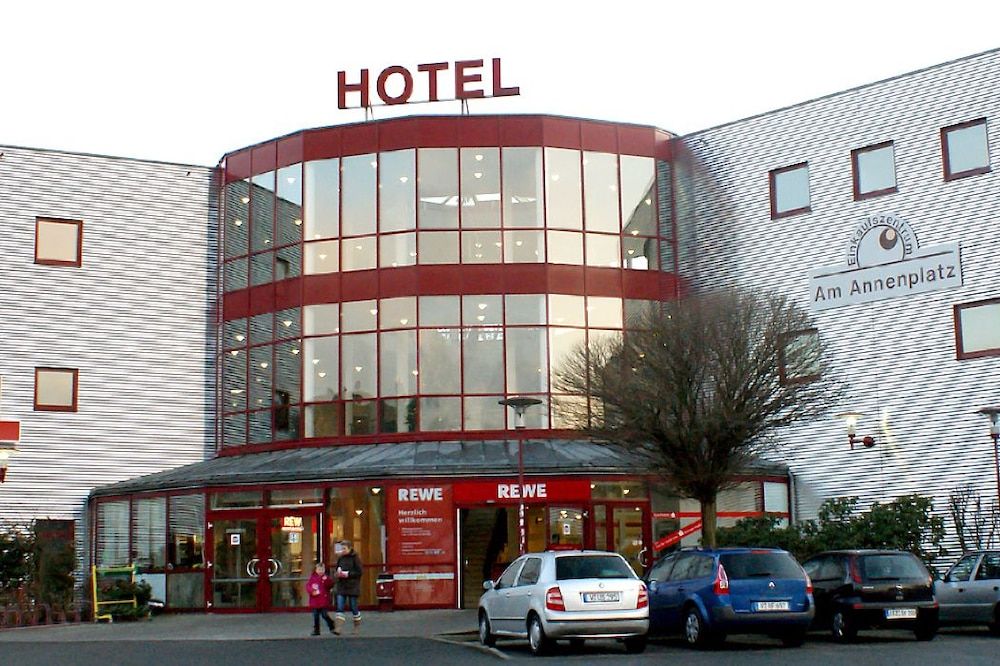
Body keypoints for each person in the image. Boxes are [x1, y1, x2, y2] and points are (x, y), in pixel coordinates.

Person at [333, 540, 364, 635]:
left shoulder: (355, 558)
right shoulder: (340, 558)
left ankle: (357, 626)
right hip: (342, 585)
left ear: (349, 548)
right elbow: (337, 568)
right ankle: (338, 627)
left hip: (352, 586)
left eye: (344, 548)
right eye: (341, 548)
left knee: (353, 607)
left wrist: (348, 574)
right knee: (340, 606)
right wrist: (337, 574)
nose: (342, 550)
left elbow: (360, 572)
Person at [307, 562, 335, 636]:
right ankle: (316, 630)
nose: (321, 571)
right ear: (316, 570)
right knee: (316, 616)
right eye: (319, 569)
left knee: (324, 615)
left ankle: (331, 625)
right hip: (315, 601)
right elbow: (308, 586)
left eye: (322, 569)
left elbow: (330, 585)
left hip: (323, 601)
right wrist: (312, 591)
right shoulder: (313, 578)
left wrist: (327, 580)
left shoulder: (326, 578)